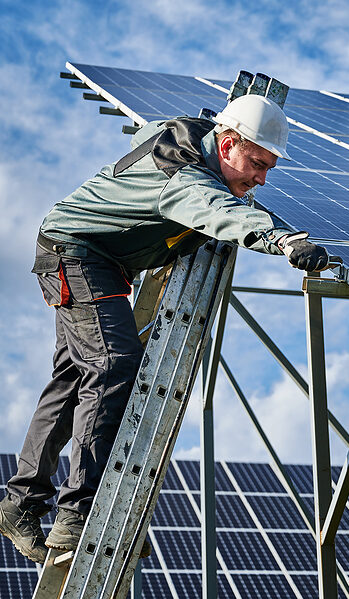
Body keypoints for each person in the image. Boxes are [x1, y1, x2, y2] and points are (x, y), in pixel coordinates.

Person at [0, 94, 329, 564]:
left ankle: (20, 505)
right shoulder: (183, 176)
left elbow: (156, 132)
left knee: (75, 379)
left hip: (95, 259)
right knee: (115, 366)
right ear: (229, 143)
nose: (260, 178)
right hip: (79, 254)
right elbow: (217, 209)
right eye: (256, 163)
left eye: (268, 169)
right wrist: (281, 238)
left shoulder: (189, 141)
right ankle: (81, 514)